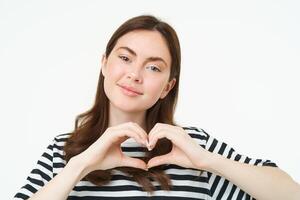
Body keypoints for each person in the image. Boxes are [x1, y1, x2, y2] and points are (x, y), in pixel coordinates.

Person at [14, 15, 300, 200]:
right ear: (104, 64)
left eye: (153, 67)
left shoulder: (191, 147)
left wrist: (208, 161)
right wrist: (80, 165)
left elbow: (290, 194)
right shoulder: (64, 152)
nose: (135, 74)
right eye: (125, 58)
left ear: (167, 86)